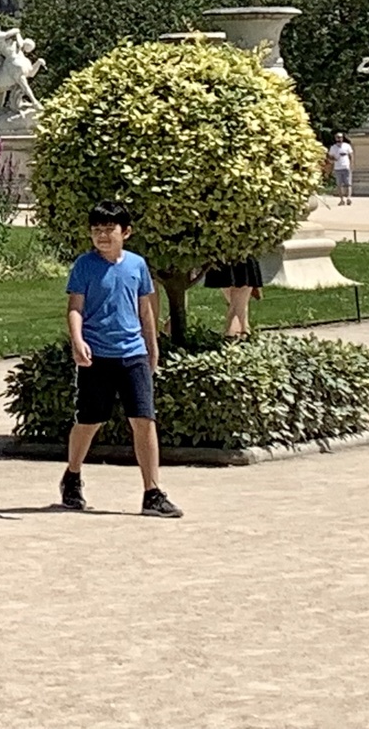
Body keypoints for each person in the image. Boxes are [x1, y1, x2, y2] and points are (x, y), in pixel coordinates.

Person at [61, 200, 181, 518]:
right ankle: (72, 476)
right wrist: (78, 340)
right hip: (96, 355)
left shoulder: (137, 266)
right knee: (90, 421)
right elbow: (75, 307)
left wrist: (151, 348)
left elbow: (145, 310)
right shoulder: (84, 266)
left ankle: (152, 492)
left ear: (125, 232)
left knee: (144, 420)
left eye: (109, 229)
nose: (102, 236)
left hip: (133, 354)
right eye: (96, 230)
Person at [202, 254, 263, 339]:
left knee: (238, 296)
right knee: (237, 299)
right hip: (227, 257)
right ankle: (241, 329)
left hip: (236, 257)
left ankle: (234, 330)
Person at [328, 131, 354, 204]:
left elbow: (351, 155)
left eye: (340, 137)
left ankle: (348, 198)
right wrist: (333, 159)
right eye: (338, 137)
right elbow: (330, 157)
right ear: (335, 138)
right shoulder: (333, 147)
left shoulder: (347, 146)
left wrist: (351, 164)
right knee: (339, 185)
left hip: (346, 167)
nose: (339, 139)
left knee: (348, 184)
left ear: (343, 138)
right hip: (338, 168)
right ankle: (342, 199)